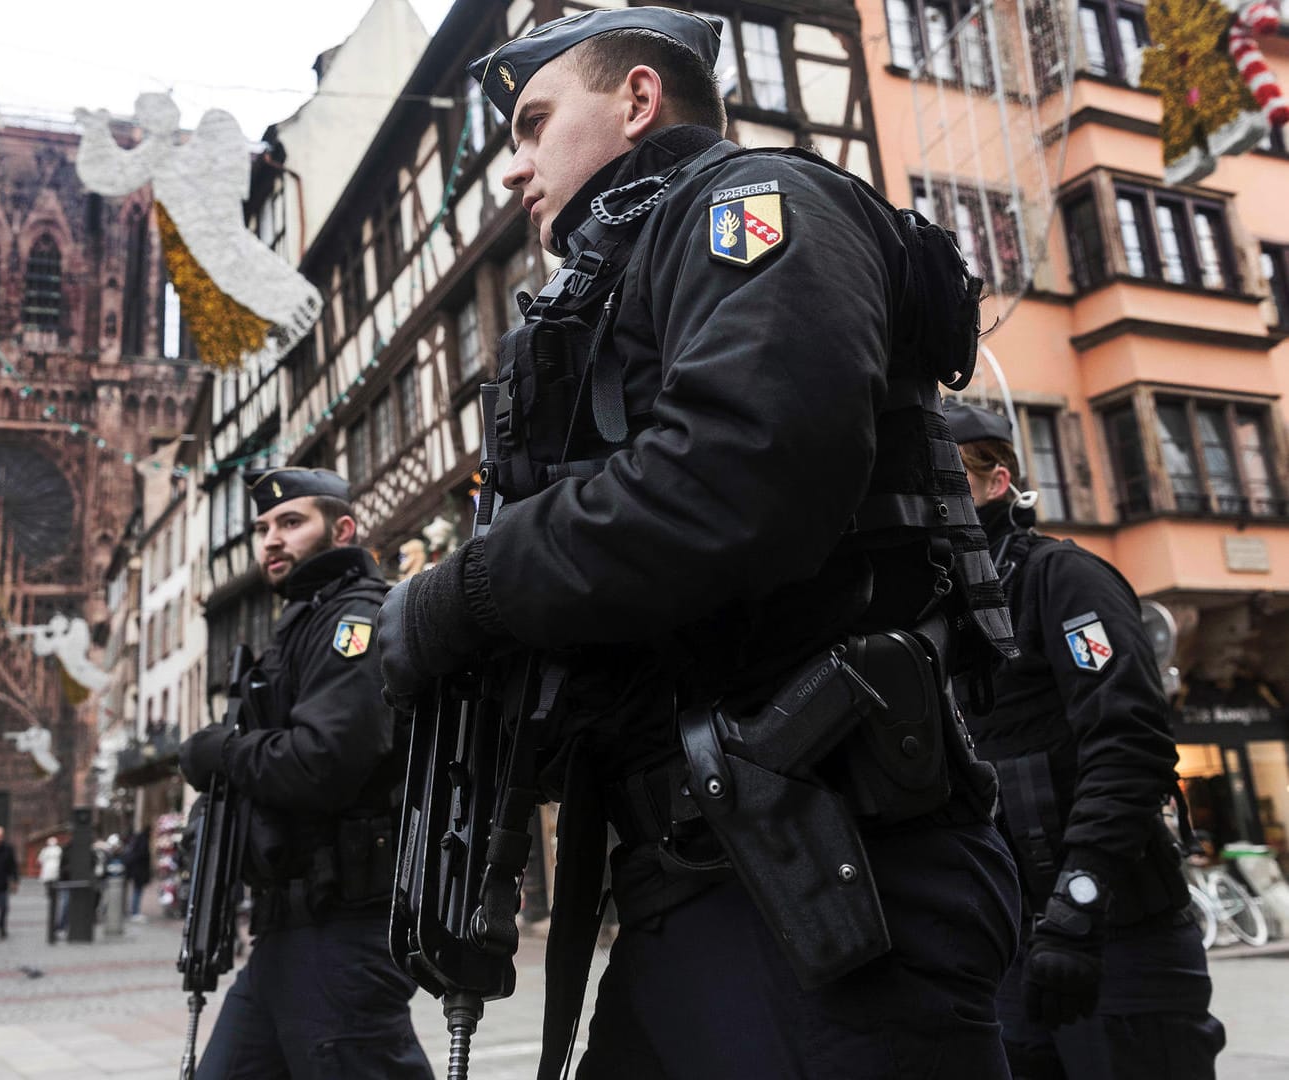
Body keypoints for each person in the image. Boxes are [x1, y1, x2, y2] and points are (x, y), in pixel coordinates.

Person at [378, 9, 1026, 1077]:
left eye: (535, 125)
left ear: (638, 100)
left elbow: (738, 473)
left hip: (835, 869)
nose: (514, 170)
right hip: (704, 879)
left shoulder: (751, 203)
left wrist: (466, 593)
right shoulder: (617, 285)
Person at [947, 401, 1227, 1077]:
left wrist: (1080, 897)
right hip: (1007, 954)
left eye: (949, 481)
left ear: (998, 481)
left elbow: (1129, 740)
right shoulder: (939, 607)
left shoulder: (1062, 580)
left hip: (1118, 937)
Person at [178, 467, 433, 1079]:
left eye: (291, 522)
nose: (270, 539)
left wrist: (223, 752)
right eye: (263, 527)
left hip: (342, 931)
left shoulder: (355, 620)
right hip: (284, 930)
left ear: (342, 529)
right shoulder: (302, 623)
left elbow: (323, 761)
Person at [122, 828, 151, 921]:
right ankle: (134, 912)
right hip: (139, 872)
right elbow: (143, 856)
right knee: (137, 891)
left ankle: (134, 911)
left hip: (136, 872)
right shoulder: (142, 844)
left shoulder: (135, 844)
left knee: (136, 891)